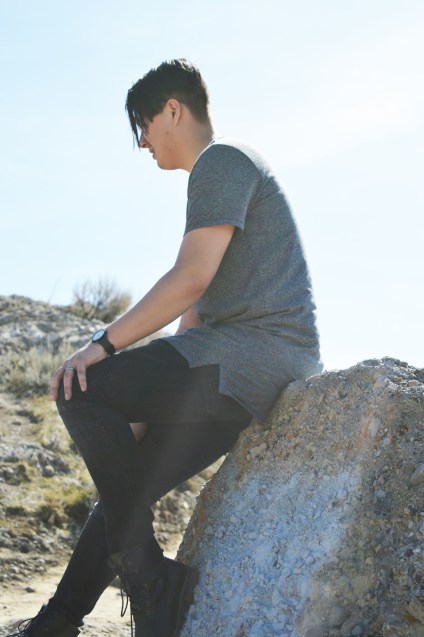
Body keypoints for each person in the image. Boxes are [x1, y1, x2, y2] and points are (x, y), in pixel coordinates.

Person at [9, 58, 323, 637]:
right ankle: (59, 621)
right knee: (126, 493)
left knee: (81, 387)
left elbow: (190, 279)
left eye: (143, 125)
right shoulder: (222, 172)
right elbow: (197, 310)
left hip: (252, 357)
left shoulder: (221, 161)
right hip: (236, 371)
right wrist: (149, 403)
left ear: (173, 110)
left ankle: (153, 583)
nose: (142, 142)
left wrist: (101, 345)